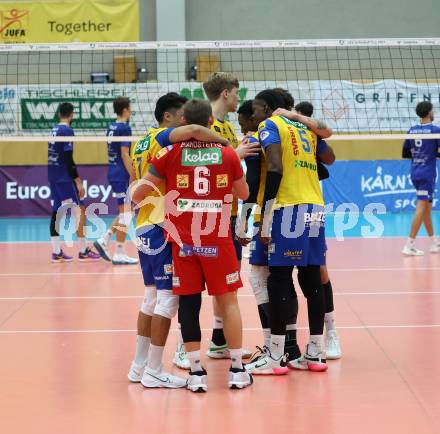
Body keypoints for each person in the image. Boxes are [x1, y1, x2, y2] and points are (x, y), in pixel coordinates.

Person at [133, 99, 253, 392]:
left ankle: (197, 373)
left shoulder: (169, 152)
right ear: (212, 123)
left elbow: (138, 194)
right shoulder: (227, 153)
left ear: (184, 120)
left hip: (183, 240)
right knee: (228, 301)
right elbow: (244, 193)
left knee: (188, 301)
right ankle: (237, 370)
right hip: (218, 237)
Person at [245, 89, 333, 375]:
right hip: (314, 206)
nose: (253, 114)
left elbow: (274, 167)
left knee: (279, 277)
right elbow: (329, 156)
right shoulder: (306, 129)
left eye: (257, 109)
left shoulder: (269, 125)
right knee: (311, 277)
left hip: (288, 206)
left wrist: (267, 214)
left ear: (268, 108)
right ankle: (315, 353)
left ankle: (275, 355)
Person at [202, 72, 253, 360]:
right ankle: (188, 348)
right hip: (210, 216)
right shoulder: (204, 124)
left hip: (230, 213)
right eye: (236, 93)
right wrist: (238, 152)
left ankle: (219, 340)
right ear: (224, 94)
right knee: (207, 284)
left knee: (225, 284)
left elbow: (233, 170)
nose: (238, 98)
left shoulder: (228, 127)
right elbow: (207, 162)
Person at [48, 102, 100, 263]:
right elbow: (68, 158)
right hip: (64, 178)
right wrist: (78, 182)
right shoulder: (67, 130)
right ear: (71, 114)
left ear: (59, 114)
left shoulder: (54, 129)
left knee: (57, 212)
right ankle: (84, 251)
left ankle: (56, 252)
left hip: (53, 176)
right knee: (80, 210)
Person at [94, 97, 138, 265]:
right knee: (127, 213)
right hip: (120, 173)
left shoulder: (111, 126)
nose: (131, 110)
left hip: (113, 170)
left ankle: (105, 240)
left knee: (126, 213)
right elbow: (124, 154)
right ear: (126, 110)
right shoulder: (124, 127)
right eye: (130, 108)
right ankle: (118, 251)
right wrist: (134, 174)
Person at [402, 101, 440, 256]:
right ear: (429, 112)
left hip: (415, 171)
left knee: (426, 209)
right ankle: (409, 244)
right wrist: (432, 154)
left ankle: (434, 242)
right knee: (421, 207)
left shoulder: (412, 130)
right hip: (426, 174)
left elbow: (405, 153)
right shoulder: (435, 130)